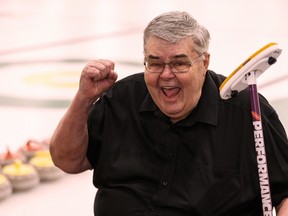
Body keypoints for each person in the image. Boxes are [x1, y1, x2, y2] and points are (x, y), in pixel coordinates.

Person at [49, 11, 288, 216]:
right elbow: (67, 161)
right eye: (155, 63)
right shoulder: (121, 99)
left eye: (179, 63)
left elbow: (285, 193)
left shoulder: (247, 112)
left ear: (204, 63)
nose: (166, 75)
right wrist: (83, 99)